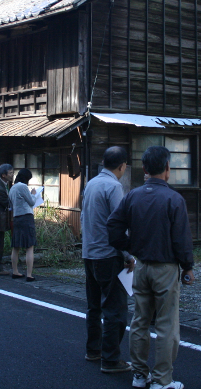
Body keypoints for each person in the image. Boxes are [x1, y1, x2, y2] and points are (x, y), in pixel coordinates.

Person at [108, 145, 195, 389]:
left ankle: (139, 374)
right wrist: (188, 267)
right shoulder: (174, 199)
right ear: (167, 168)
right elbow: (182, 239)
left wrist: (130, 245)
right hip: (166, 268)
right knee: (167, 325)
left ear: (145, 169)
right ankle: (162, 379)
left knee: (140, 320)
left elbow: (113, 226)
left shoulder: (133, 195)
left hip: (141, 266)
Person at [81, 146, 134, 374]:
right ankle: (111, 359)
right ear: (122, 166)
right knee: (115, 309)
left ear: (103, 163)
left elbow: (84, 217)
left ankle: (93, 350)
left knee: (94, 307)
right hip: (108, 254)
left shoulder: (91, 183)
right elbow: (118, 225)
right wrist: (128, 254)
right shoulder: (114, 187)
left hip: (89, 253)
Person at [9, 168, 37, 281]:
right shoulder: (23, 186)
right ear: (26, 178)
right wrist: (33, 194)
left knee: (16, 246)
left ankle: (15, 271)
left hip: (16, 218)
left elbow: (11, 204)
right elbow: (32, 202)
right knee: (29, 246)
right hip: (26, 217)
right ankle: (29, 274)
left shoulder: (12, 188)